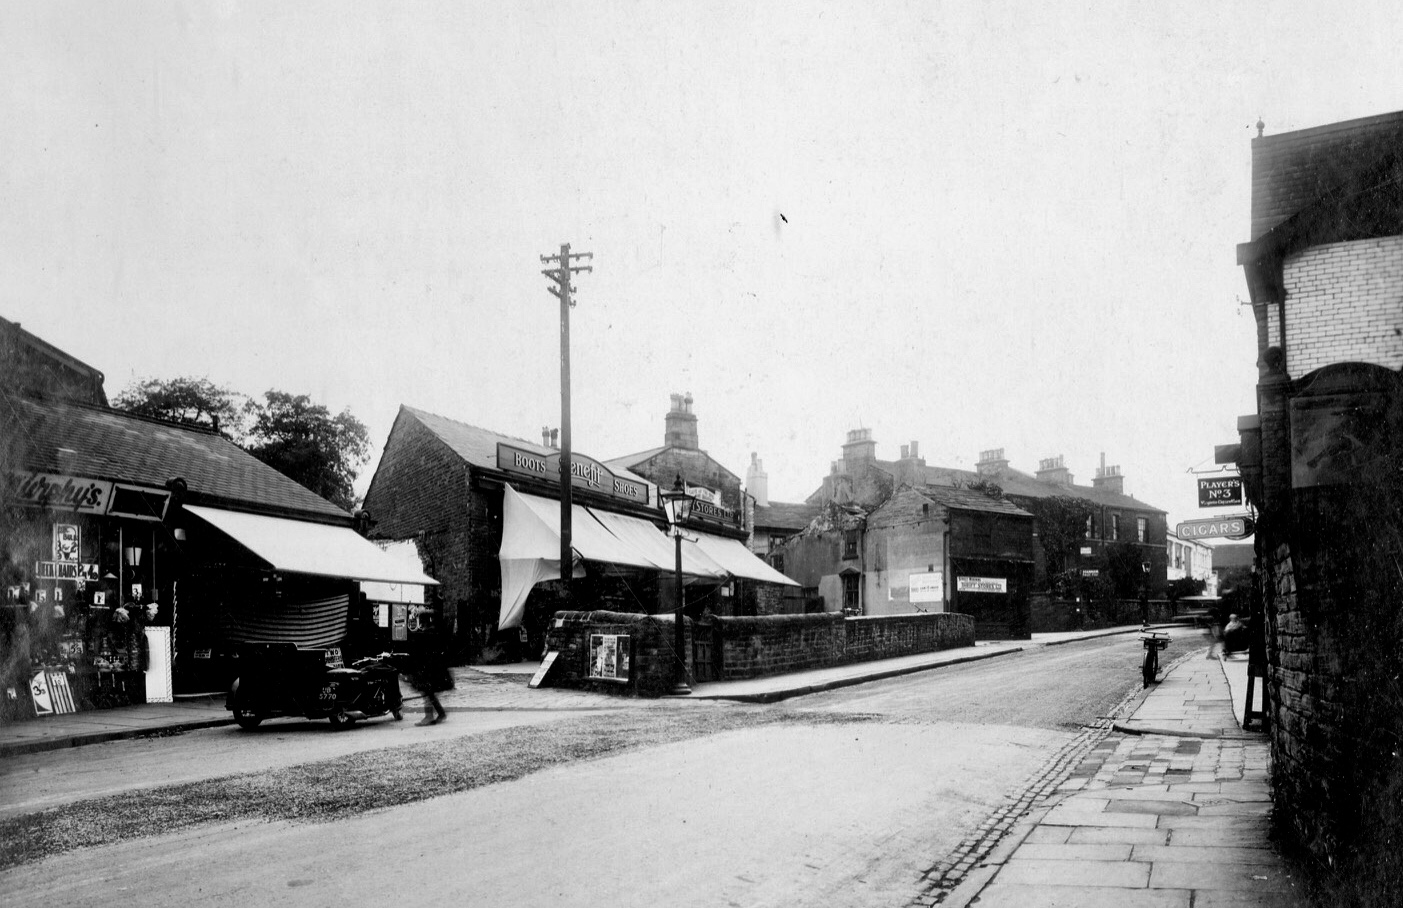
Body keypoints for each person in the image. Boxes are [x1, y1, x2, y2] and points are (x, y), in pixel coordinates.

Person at [410, 634, 449, 726]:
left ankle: (429, 717)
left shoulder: (427, 635)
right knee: (429, 693)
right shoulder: (434, 633)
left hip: (428, 668)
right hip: (433, 667)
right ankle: (441, 713)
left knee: (426, 692)